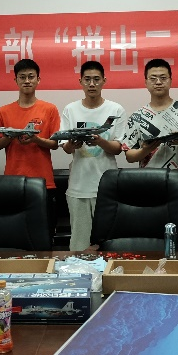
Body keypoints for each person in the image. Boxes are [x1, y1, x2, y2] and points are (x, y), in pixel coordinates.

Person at [0, 59, 62, 240]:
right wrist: (11, 135)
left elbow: (55, 144)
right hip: (12, 182)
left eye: (31, 77)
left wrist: (35, 139)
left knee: (44, 235)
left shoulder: (50, 109)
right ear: (16, 80)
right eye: (22, 77)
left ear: (38, 79)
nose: (27, 81)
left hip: (44, 182)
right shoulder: (3, 111)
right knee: (14, 234)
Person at [60, 61, 124, 252]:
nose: (92, 84)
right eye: (87, 79)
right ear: (80, 81)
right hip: (78, 186)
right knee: (79, 245)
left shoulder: (116, 110)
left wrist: (100, 142)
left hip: (106, 187)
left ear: (104, 81)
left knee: (109, 244)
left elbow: (118, 148)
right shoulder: (70, 109)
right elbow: (66, 148)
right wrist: (73, 144)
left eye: (96, 79)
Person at [117, 59, 178, 199]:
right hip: (149, 186)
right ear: (146, 82)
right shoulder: (137, 116)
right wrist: (146, 150)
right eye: (153, 78)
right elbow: (129, 157)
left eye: (163, 78)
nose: (158, 82)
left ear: (170, 81)